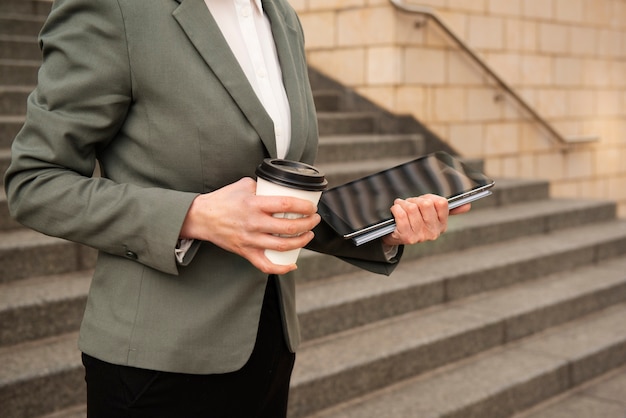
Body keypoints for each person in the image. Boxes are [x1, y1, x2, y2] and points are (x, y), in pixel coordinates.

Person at [4, 0, 470, 416]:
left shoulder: (281, 16)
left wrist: (383, 228)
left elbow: (279, 199)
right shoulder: (114, 9)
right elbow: (36, 183)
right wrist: (194, 216)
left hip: (268, 347)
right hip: (156, 361)